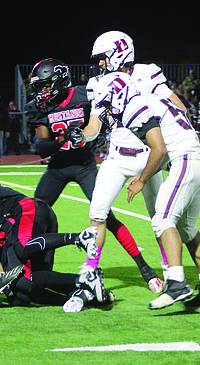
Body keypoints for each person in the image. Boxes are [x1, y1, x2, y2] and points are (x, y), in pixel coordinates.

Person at [25, 58, 162, 292]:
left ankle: (145, 269)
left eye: (46, 85)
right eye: (40, 87)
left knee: (106, 217)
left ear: (60, 81)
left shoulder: (83, 94)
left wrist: (100, 131)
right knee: (35, 214)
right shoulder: (39, 107)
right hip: (57, 168)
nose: (42, 92)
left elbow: (102, 114)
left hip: (84, 164)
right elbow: (43, 149)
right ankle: (35, 269)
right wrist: (65, 137)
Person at [92, 72, 200, 309]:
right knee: (186, 228)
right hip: (199, 159)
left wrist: (142, 179)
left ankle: (177, 284)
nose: (107, 111)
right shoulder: (153, 100)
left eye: (107, 104)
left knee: (163, 220)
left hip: (185, 160)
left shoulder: (135, 106)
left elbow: (159, 149)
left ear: (119, 96)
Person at [77, 30, 186, 291]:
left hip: (150, 158)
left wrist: (174, 146)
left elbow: (178, 108)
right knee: (97, 213)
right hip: (116, 157)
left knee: (160, 218)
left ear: (119, 52)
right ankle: (91, 271)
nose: (100, 64)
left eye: (103, 57)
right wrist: (77, 135)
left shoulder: (146, 74)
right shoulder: (99, 84)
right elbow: (93, 129)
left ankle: (169, 269)